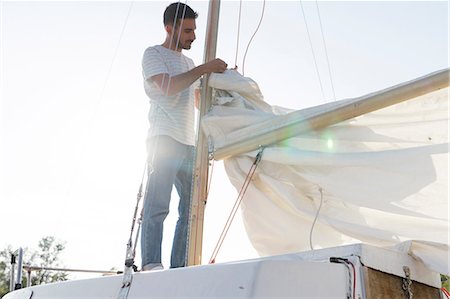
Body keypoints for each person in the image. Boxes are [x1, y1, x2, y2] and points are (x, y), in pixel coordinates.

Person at [140, 2, 227, 271]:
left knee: (191, 212)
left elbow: (198, 100)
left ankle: (180, 267)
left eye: (194, 30)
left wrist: (224, 86)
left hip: (191, 144)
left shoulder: (189, 63)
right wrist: (203, 69)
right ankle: (152, 264)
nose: (193, 36)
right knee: (158, 206)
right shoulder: (153, 54)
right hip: (163, 140)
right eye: (188, 30)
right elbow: (168, 87)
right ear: (170, 28)